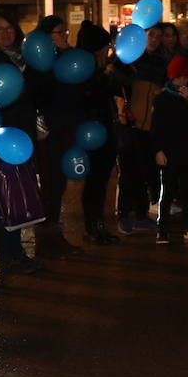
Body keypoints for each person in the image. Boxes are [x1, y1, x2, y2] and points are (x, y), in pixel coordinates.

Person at [0, 10, 46, 275]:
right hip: (2, 138)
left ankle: (18, 253)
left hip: (25, 137)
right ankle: (7, 257)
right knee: (6, 197)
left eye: (9, 28)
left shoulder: (29, 60)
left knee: (22, 196)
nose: (5, 34)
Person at [27, 15, 85, 258]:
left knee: (58, 186)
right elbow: (38, 96)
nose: (64, 37)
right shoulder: (38, 65)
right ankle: (47, 239)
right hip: (48, 134)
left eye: (66, 32)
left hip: (65, 130)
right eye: (59, 32)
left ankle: (53, 236)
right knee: (50, 186)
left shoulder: (67, 59)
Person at [114, 24, 166, 234]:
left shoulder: (160, 63)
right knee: (128, 172)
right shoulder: (127, 60)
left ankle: (142, 214)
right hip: (129, 124)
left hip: (149, 126)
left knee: (146, 170)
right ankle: (124, 214)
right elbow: (117, 88)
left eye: (158, 36)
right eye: (151, 35)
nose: (154, 39)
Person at [75, 22, 122, 244]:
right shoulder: (85, 72)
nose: (107, 50)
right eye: (104, 47)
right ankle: (93, 228)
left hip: (104, 131)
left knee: (100, 182)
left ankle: (97, 226)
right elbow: (93, 97)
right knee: (95, 182)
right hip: (93, 134)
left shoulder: (99, 69)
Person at [151, 55, 188, 244]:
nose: (182, 81)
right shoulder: (162, 98)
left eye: (185, 77)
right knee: (167, 192)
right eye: (178, 77)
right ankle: (162, 229)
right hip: (169, 151)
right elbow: (157, 127)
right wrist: (158, 150)